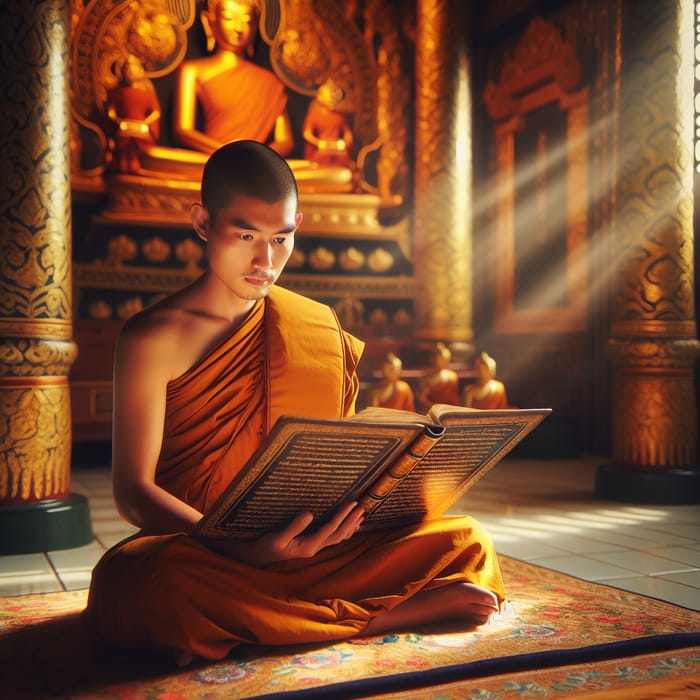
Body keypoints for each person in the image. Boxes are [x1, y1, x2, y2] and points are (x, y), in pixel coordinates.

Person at [84, 140, 504, 665]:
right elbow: (134, 494)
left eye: (281, 238)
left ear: (298, 225)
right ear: (201, 223)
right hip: (204, 551)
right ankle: (380, 617)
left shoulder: (314, 326)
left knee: (467, 537)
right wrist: (239, 547)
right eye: (245, 236)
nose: (265, 260)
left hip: (312, 547)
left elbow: (336, 464)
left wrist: (372, 503)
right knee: (145, 587)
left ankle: (282, 619)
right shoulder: (152, 336)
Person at [172, 0, 293, 156]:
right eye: (229, 18)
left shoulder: (270, 81)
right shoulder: (192, 71)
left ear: (256, 25)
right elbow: (183, 130)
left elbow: (286, 141)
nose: (238, 28)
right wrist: (227, 153)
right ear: (209, 20)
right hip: (212, 159)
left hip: (256, 166)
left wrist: (260, 160)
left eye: (247, 20)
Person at [105, 54, 161, 173]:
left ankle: (140, 166)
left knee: (141, 149)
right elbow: (111, 113)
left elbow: (156, 113)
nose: (130, 71)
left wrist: (146, 123)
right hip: (124, 127)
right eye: (126, 68)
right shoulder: (117, 93)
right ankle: (122, 166)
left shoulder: (146, 93)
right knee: (123, 146)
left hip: (141, 128)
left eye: (133, 67)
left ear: (139, 69)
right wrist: (119, 122)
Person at [302, 78, 354, 168]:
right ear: (320, 97)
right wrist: (319, 143)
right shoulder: (314, 115)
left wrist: (346, 142)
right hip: (323, 147)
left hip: (337, 148)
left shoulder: (339, 115)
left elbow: (347, 133)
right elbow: (307, 134)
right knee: (320, 159)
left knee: (345, 161)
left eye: (331, 94)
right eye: (327, 95)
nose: (330, 97)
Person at [418, 341, 461, 408]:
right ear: (433, 359)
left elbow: (453, 398)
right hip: (431, 409)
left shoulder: (452, 376)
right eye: (440, 359)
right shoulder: (426, 378)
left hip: (448, 410)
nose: (442, 362)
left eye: (444, 359)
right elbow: (422, 399)